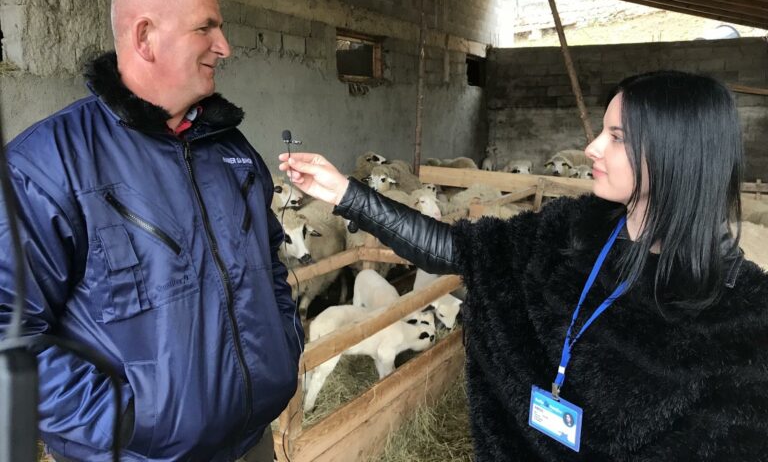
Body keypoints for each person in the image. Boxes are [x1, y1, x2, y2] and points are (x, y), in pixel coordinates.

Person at [280, 70, 768, 461]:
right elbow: (457, 250)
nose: (592, 148)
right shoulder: (569, 231)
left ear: (675, 156)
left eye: (615, 136)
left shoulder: (740, 317)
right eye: (602, 130)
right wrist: (347, 195)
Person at [0, 0, 303, 461]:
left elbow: (269, 259)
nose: (224, 47)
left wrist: (283, 346)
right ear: (145, 37)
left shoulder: (231, 149)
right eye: (206, 28)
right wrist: (124, 424)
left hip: (251, 443)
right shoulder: (49, 165)